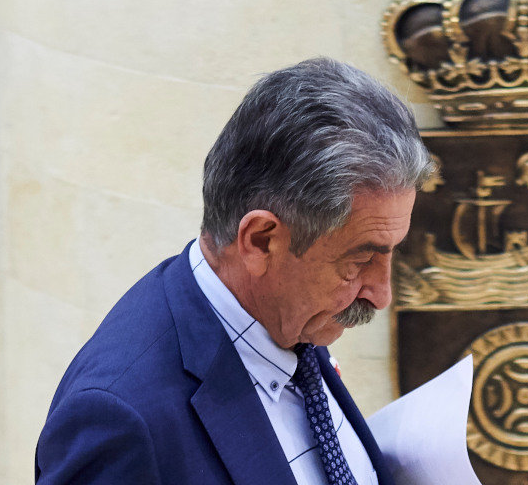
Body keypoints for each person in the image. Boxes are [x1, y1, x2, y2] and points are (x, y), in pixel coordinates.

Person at [35, 58, 433, 484]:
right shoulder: (121, 421)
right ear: (261, 240)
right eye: (358, 261)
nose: (381, 292)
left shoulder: (287, 317)